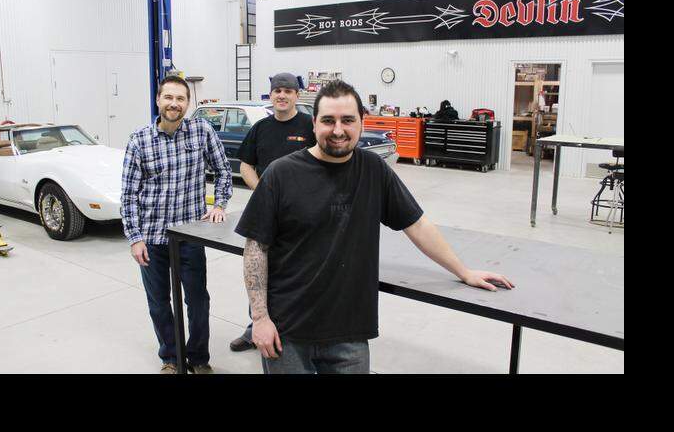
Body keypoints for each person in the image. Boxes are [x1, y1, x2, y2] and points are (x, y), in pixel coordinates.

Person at [235, 79, 513, 374]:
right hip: (286, 331)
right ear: (314, 124)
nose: (338, 130)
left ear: (361, 123)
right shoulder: (281, 173)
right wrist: (260, 318)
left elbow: (417, 225)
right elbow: (256, 249)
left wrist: (464, 272)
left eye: (348, 120)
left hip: (350, 333)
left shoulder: (373, 169)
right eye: (328, 121)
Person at [121, 74, 232, 374]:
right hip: (152, 238)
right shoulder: (139, 140)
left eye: (180, 98)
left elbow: (223, 170)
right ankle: (171, 358)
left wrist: (219, 205)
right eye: (168, 97)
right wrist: (134, 238)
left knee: (198, 302)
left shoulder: (201, 131)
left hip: (190, 236)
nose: (174, 103)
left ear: (188, 103)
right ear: (158, 100)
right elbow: (129, 195)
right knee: (159, 303)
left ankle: (198, 358)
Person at [229, 72, 315, 353]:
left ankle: (299, 332)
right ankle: (255, 327)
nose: (281, 95)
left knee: (300, 270)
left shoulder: (309, 125)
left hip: (303, 213)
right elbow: (245, 166)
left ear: (296, 95)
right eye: (277, 90)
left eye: (287, 91)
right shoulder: (261, 128)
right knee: (258, 268)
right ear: (271, 94)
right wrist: (263, 193)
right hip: (267, 212)